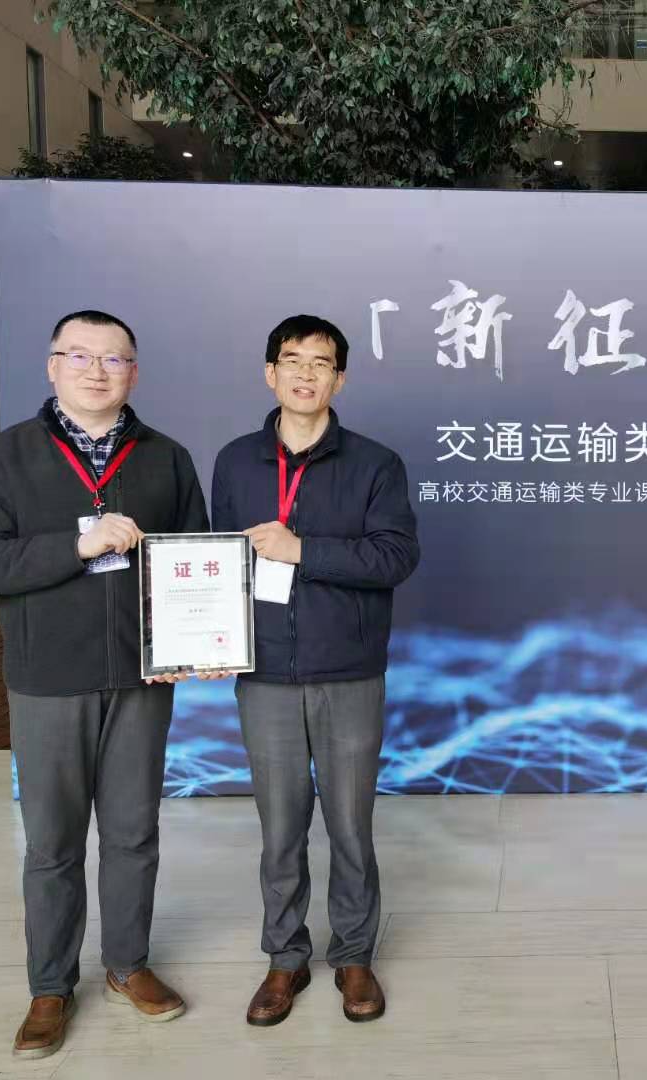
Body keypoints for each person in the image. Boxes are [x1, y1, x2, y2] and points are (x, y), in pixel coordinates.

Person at [0, 311, 211, 1058]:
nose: (97, 371)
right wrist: (78, 543)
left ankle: (127, 965)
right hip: (48, 680)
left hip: (141, 678)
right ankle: (50, 986)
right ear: (52, 365)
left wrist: (198, 640)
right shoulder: (6, 457)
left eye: (114, 359)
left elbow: (193, 559)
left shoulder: (166, 457)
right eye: (80, 356)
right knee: (53, 843)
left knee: (133, 832)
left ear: (134, 371)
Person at [211, 314, 420, 1026]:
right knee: (279, 828)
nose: (306, 373)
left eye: (321, 363)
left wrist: (302, 549)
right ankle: (285, 957)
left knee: (351, 826)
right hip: (264, 673)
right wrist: (206, 642)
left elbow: (395, 556)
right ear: (270, 372)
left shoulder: (374, 464)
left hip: (348, 671)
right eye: (293, 360)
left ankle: (354, 954)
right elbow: (220, 561)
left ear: (340, 378)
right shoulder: (236, 461)